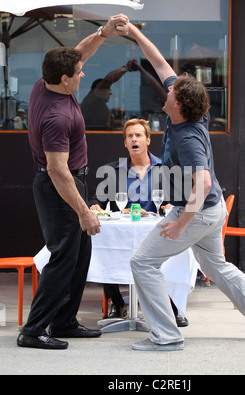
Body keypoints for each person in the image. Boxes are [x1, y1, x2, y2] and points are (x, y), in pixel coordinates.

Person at [115, 21, 245, 351]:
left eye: (170, 92)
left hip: (196, 212)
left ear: (179, 103)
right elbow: (160, 63)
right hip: (209, 211)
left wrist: (181, 222)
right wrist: (135, 34)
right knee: (217, 267)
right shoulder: (186, 114)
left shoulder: (187, 137)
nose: (165, 91)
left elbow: (204, 181)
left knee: (143, 263)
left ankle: (166, 336)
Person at [17, 14, 129, 350]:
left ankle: (64, 322)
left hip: (69, 184)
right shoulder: (56, 116)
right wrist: (83, 211)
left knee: (81, 256)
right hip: (58, 188)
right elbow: (57, 170)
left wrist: (103, 32)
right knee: (63, 257)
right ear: (65, 79)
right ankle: (34, 330)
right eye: (78, 74)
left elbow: (80, 52)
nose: (83, 75)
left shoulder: (45, 84)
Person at [90, 118, 188, 326]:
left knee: (174, 253)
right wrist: (95, 206)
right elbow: (96, 199)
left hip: (155, 231)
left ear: (148, 140)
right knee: (103, 246)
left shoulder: (166, 169)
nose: (134, 140)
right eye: (130, 136)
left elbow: (179, 200)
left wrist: (168, 207)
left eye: (138, 135)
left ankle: (172, 305)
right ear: (125, 143)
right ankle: (117, 303)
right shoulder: (113, 170)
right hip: (122, 230)